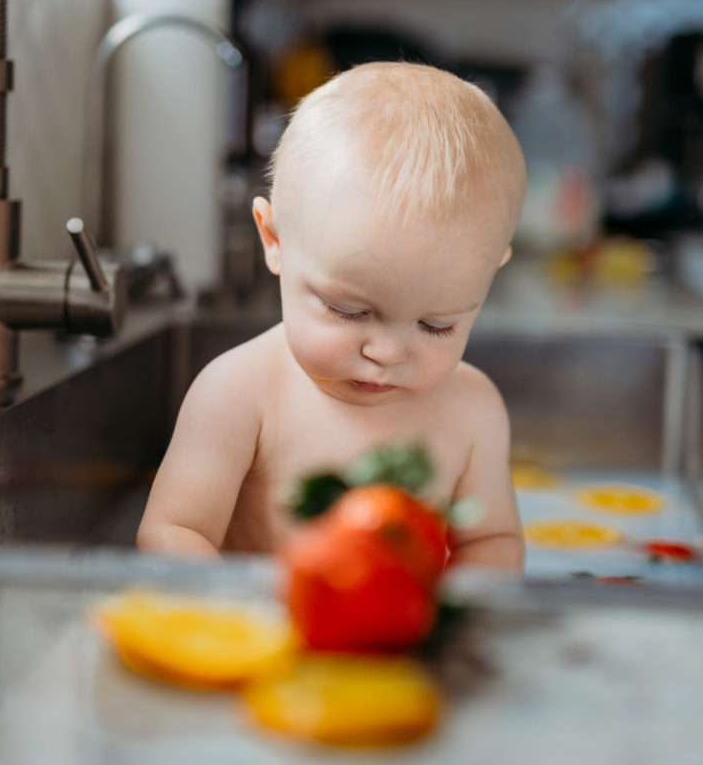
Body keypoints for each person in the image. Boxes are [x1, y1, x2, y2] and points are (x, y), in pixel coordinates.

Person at [137, 61, 527, 571]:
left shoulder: (472, 409)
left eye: (437, 325)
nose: (385, 352)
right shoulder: (239, 393)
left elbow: (491, 541)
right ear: (273, 240)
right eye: (347, 310)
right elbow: (173, 531)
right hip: (266, 641)